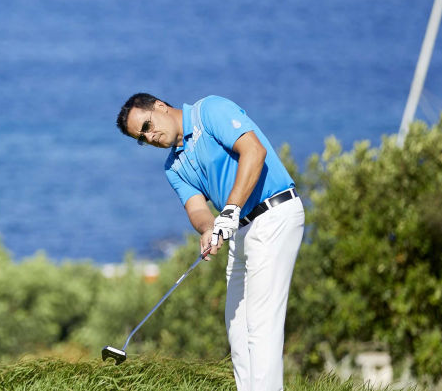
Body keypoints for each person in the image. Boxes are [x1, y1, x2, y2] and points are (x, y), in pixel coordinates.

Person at [115, 92, 304, 391]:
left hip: (274, 213)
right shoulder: (173, 167)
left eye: (148, 125)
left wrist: (229, 210)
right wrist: (207, 229)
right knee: (239, 332)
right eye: (142, 137)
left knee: (261, 325)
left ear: (161, 107)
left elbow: (254, 151)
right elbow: (197, 208)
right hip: (240, 229)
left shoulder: (210, 111)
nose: (150, 137)